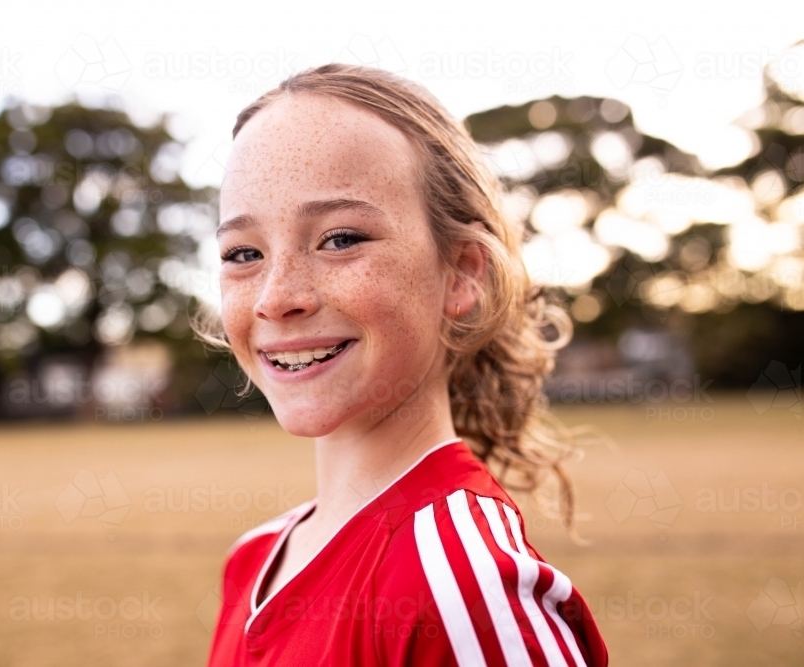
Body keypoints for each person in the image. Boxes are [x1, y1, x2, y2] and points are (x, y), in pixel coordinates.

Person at [196, 63, 608, 666]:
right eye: (244, 252)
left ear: (463, 271)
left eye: (340, 239)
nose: (275, 297)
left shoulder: (465, 590)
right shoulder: (253, 558)